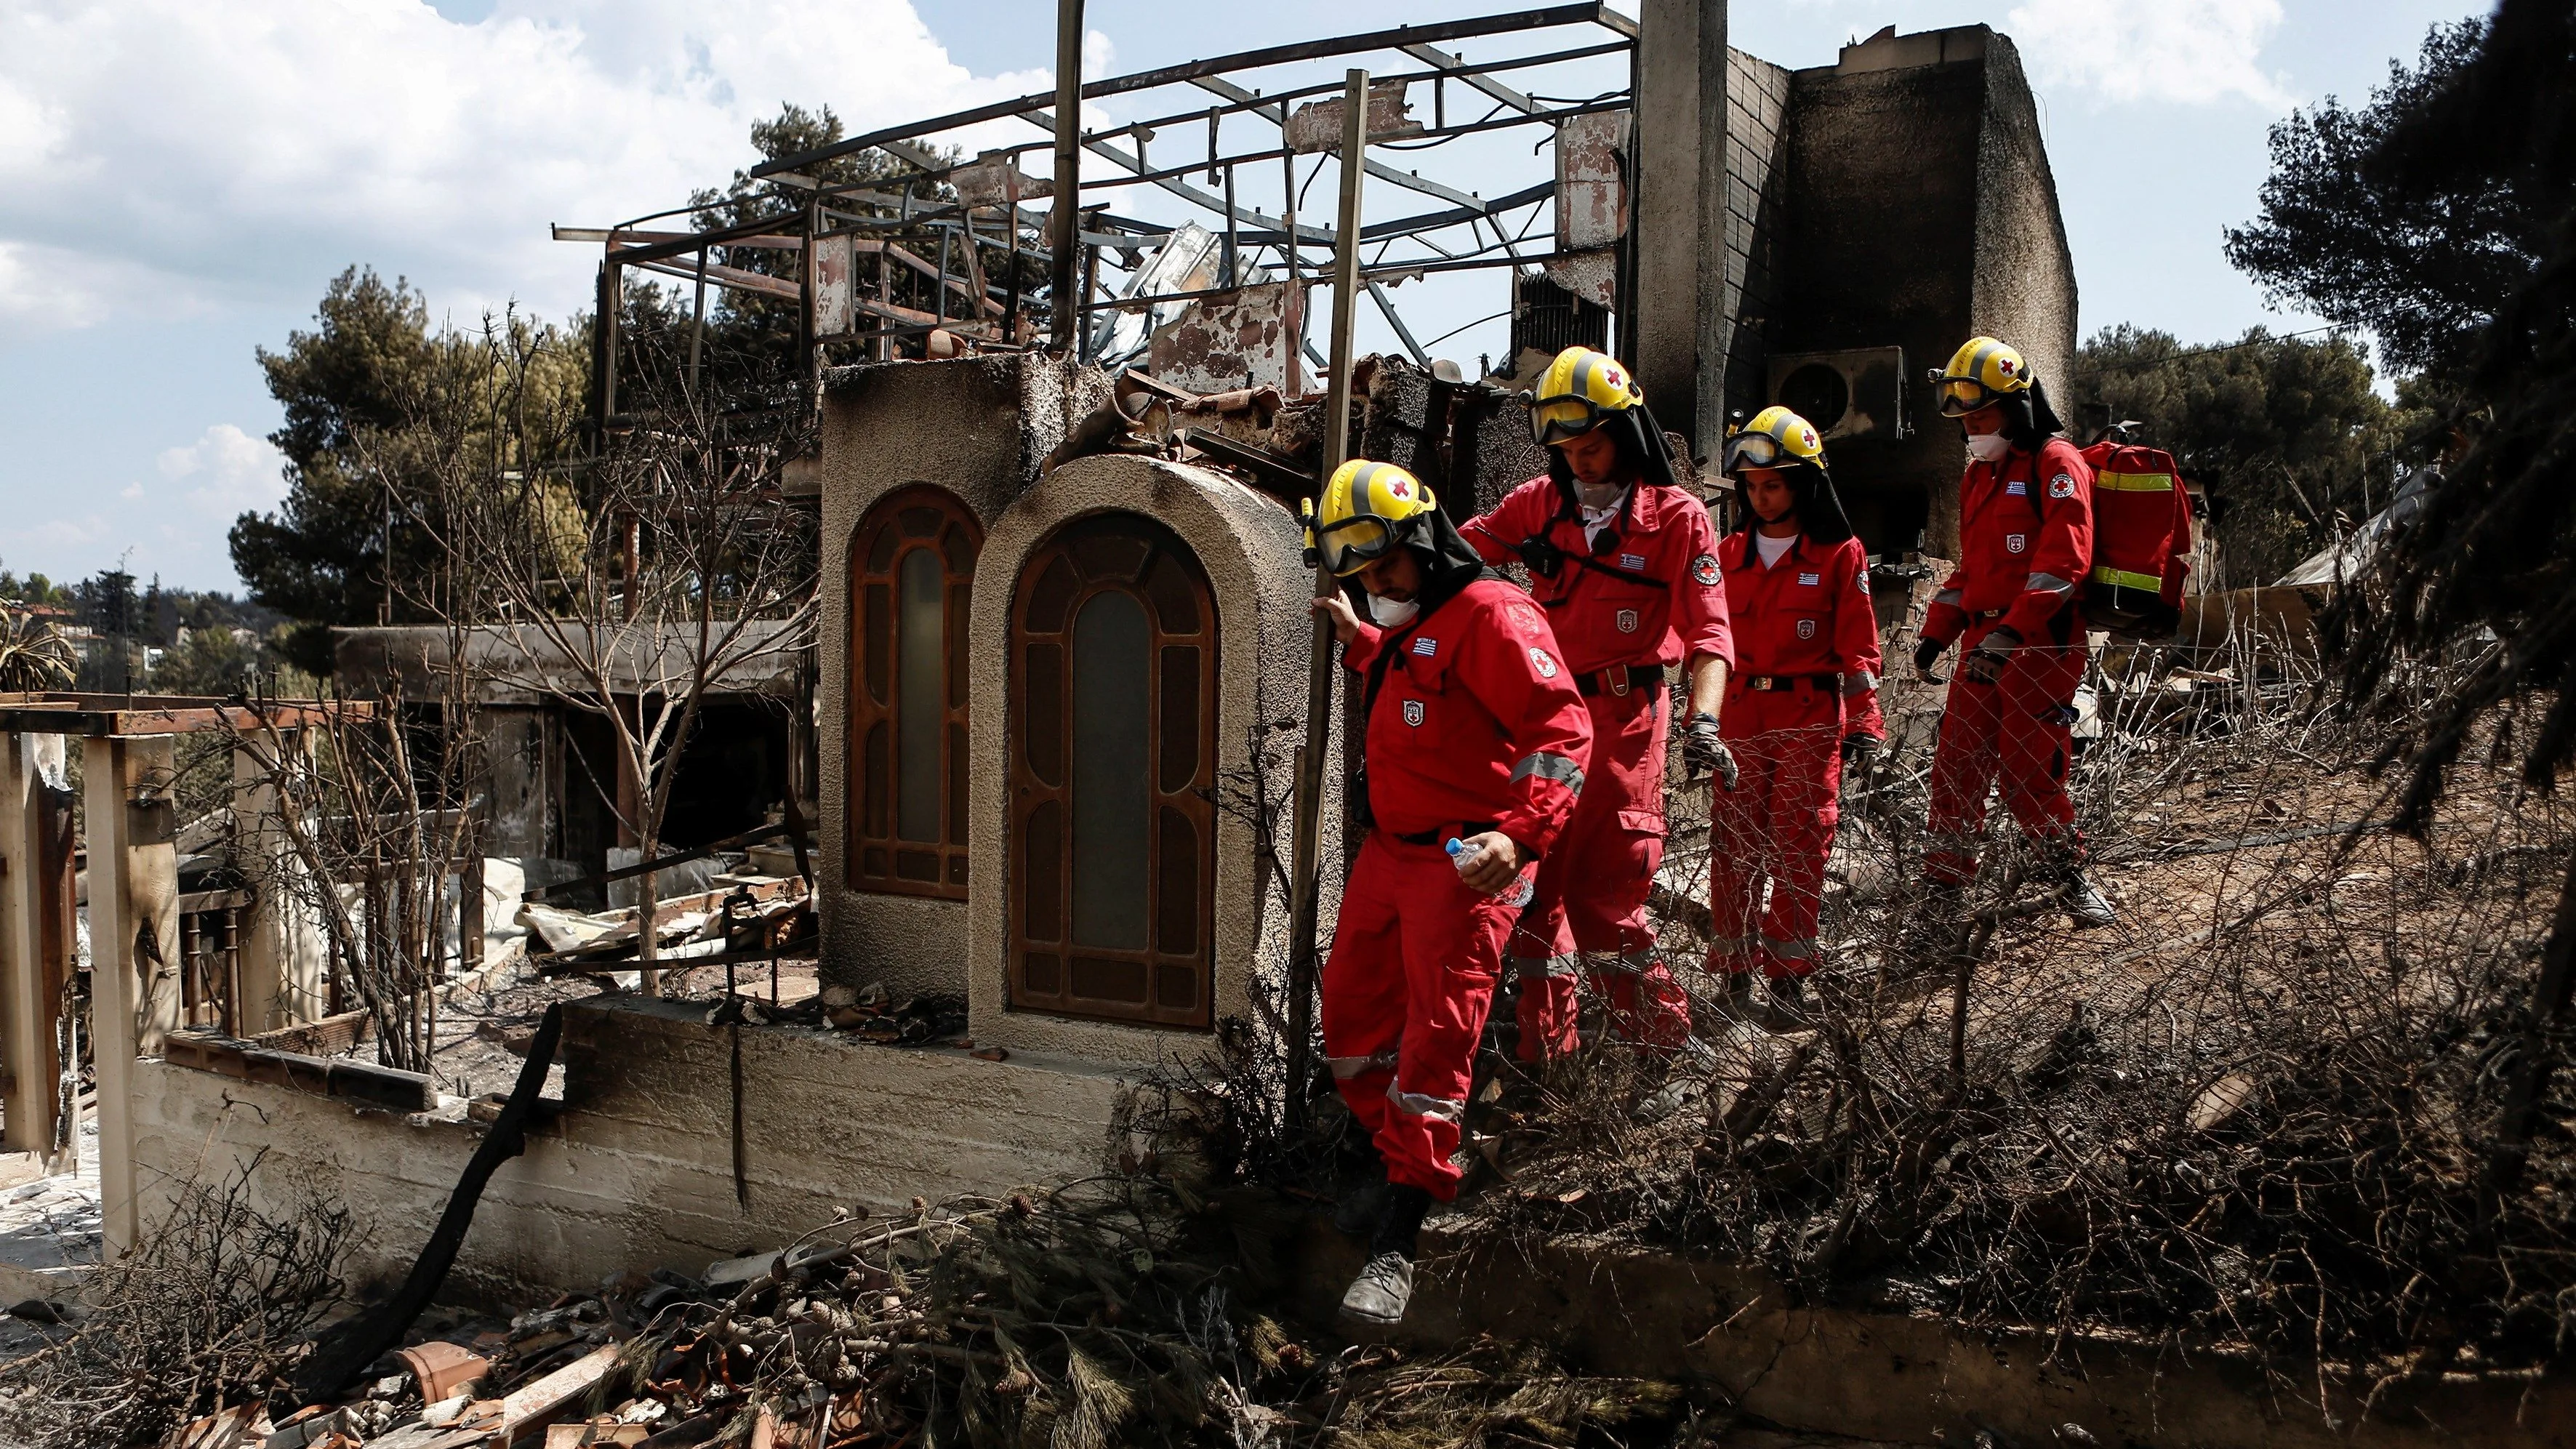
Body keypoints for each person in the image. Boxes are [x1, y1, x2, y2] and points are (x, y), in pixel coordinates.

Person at [1308, 457, 1592, 1326]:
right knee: (1351, 1022)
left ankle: (1399, 1241)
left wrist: (1521, 833)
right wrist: (1362, 638)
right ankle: (1397, 1161)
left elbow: (1563, 726)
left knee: (1437, 1045)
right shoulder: (1411, 622)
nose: (1377, 579)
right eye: (1361, 569)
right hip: (1389, 858)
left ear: (1426, 539)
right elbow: (1421, 696)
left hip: (1465, 864)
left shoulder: (1495, 614)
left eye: (1387, 561)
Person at [1458, 346, 1734, 1064]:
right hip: (1544, 723)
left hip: (1627, 724)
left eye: (1593, 445)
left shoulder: (1678, 519)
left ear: (1626, 434)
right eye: (1568, 449)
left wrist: (1704, 721)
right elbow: (1456, 558)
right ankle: (1547, 1061)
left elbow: (1710, 633)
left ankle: (1667, 1047)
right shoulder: (1535, 508)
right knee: (1532, 895)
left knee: (1606, 904)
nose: (1581, 461)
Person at [1914, 337, 2117, 935]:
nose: (1973, 429)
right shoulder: (1979, 477)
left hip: (2039, 643)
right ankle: (1942, 895)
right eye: (1965, 420)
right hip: (1984, 643)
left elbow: (2063, 562)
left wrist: (2008, 636)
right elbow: (1970, 572)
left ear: (2017, 406)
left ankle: (2069, 878)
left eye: (1981, 416)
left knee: (2028, 772)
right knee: (1956, 768)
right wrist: (1936, 632)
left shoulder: (2056, 463)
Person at [1698, 406, 1885, 1023]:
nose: (1760, 495)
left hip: (1808, 716)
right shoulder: (1724, 555)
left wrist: (1864, 723)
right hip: (1739, 716)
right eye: (1751, 485)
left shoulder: (1840, 555)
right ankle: (1731, 971)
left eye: (1773, 483)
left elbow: (1859, 649)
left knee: (1800, 845)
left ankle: (1788, 974)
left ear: (1804, 483)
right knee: (1734, 845)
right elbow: (1704, 640)